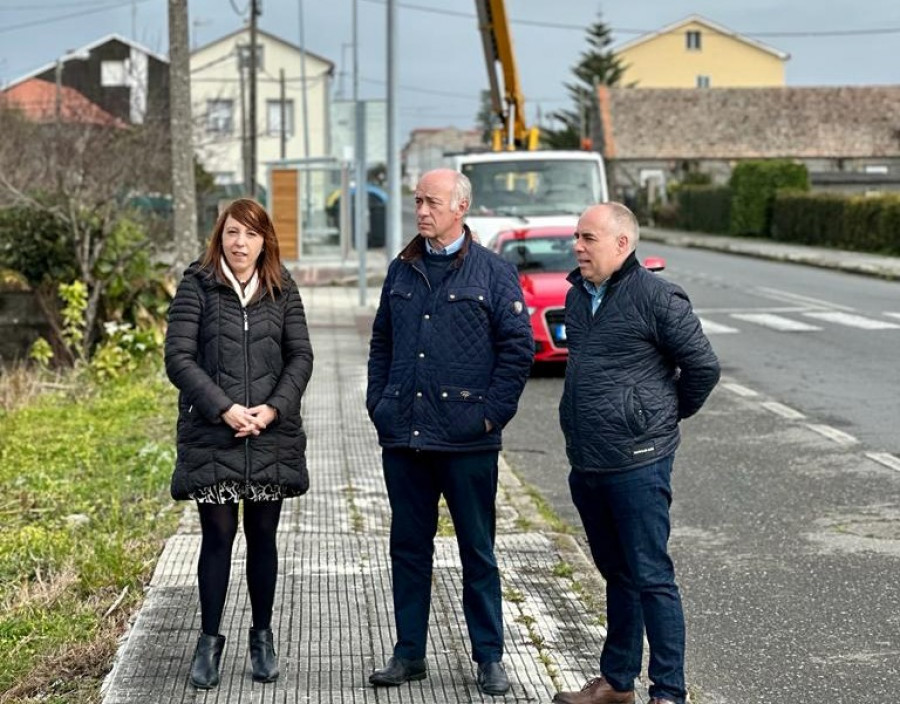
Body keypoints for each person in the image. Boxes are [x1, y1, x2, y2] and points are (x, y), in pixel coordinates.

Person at [366, 169, 534, 696]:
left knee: (477, 552)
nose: (421, 211)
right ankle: (408, 654)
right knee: (408, 550)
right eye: (416, 200)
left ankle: (489, 657)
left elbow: (517, 349)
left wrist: (490, 416)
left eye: (431, 202)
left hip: (468, 443)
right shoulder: (402, 268)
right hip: (406, 439)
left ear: (461, 207)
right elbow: (381, 343)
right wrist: (381, 404)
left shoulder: (493, 272)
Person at [553, 203, 720, 704]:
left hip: (639, 460)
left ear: (622, 244)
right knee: (617, 575)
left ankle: (669, 692)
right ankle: (617, 682)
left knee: (651, 577)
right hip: (588, 460)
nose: (577, 247)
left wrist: (658, 418)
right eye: (576, 237)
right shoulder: (578, 295)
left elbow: (703, 369)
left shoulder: (658, 297)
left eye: (588, 238)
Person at [164, 198, 314, 690]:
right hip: (215, 435)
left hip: (270, 435)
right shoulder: (197, 286)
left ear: (264, 239)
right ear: (219, 237)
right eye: (232, 233)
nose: (240, 243)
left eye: (250, 234)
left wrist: (272, 409)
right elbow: (179, 358)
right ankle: (208, 641)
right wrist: (224, 408)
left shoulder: (282, 287)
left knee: (264, 539)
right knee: (218, 538)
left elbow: (301, 356)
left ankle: (262, 637)